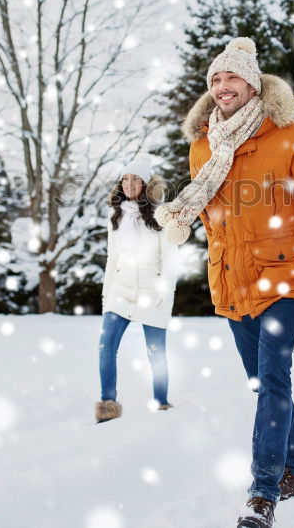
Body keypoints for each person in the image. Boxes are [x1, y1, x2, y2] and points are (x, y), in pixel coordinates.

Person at [155, 37, 294, 528]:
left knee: (273, 381)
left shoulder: (291, 136)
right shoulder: (202, 146)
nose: (223, 87)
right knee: (264, 384)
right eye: (216, 79)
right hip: (231, 283)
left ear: (254, 83)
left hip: (285, 277)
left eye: (232, 77)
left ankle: (262, 494)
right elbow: (216, 218)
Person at [95, 157, 177, 423]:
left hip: (151, 294)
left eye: (136, 179)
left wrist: (166, 294)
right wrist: (107, 295)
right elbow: (112, 258)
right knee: (106, 347)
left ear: (147, 184)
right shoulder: (115, 215)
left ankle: (161, 403)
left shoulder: (161, 215)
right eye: (126, 179)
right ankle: (108, 403)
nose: (129, 184)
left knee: (156, 354)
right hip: (120, 291)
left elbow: (169, 261)